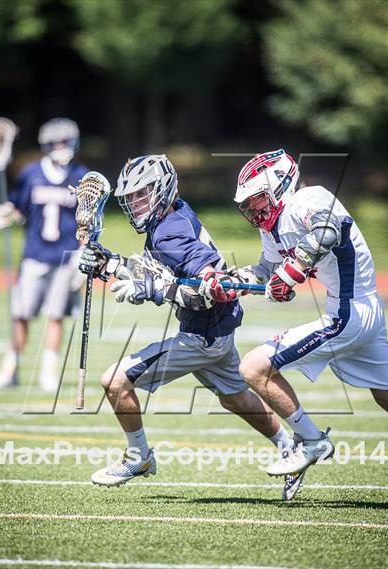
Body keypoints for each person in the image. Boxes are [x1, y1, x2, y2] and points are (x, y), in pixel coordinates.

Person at [78, 154, 303, 500]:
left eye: (143, 193)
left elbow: (209, 290)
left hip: (202, 337)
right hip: (219, 331)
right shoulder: (174, 213)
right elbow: (156, 270)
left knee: (114, 380)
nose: (136, 204)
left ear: (162, 189)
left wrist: (151, 290)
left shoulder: (170, 233)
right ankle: (289, 446)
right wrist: (107, 263)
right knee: (235, 398)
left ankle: (139, 457)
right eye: (132, 197)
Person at [199, 148, 388, 480]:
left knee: (253, 367)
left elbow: (327, 231)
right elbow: (266, 268)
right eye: (248, 203)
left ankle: (311, 440)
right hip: (364, 313)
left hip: (348, 314)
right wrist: (234, 283)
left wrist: (293, 272)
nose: (253, 208)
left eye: (258, 198)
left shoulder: (307, 200)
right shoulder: (273, 225)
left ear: (280, 185)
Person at [0, 118, 88, 392]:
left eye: (66, 141)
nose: (61, 147)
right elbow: (19, 208)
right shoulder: (31, 173)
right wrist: (9, 214)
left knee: (55, 316)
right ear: (46, 145)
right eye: (56, 142)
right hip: (35, 254)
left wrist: (82, 254)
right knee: (21, 314)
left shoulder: (81, 177)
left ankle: (49, 373)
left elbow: (87, 222)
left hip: (66, 257)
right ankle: (9, 369)